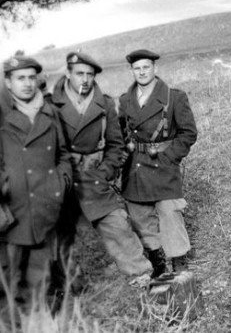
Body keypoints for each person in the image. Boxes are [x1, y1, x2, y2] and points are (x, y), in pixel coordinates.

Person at [49, 52, 153, 291]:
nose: (84, 80)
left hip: (92, 177)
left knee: (117, 224)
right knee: (57, 235)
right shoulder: (49, 105)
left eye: (89, 74)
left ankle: (140, 274)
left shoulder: (104, 104)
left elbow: (116, 144)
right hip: (59, 178)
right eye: (79, 73)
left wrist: (106, 171)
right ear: (68, 74)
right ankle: (66, 286)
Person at [0, 56, 72, 306]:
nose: (28, 84)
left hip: (43, 208)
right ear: (8, 82)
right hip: (7, 213)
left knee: (37, 281)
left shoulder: (50, 112)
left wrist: (60, 184)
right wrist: (2, 184)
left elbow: (63, 154)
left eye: (31, 77)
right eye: (20, 78)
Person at [119, 49, 198, 273]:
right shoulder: (125, 101)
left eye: (146, 67)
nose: (142, 72)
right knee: (139, 215)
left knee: (170, 212)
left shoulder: (174, 97)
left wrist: (169, 157)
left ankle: (179, 264)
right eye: (137, 68)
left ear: (155, 68)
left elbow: (188, 133)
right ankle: (158, 262)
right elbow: (120, 134)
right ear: (132, 71)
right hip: (134, 167)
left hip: (162, 164)